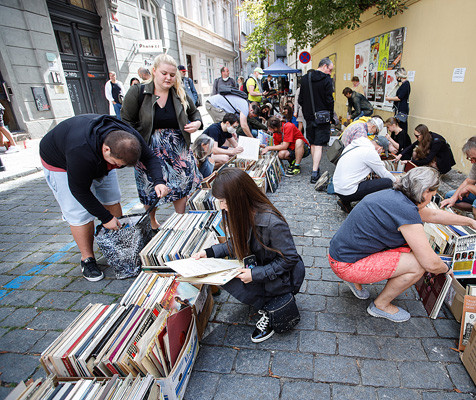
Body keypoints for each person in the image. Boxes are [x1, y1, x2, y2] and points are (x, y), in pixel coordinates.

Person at [328, 167, 476, 322]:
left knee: (410, 250)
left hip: (341, 255)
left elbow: (432, 214)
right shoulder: (405, 209)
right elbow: (430, 263)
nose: (431, 198)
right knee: (418, 264)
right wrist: (446, 269)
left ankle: (356, 281)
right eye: (432, 194)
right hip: (346, 264)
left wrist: (470, 222)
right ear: (425, 192)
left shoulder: (396, 196)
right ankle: (380, 305)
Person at [39, 114, 168, 281]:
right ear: (106, 149)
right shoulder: (80, 151)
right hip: (60, 163)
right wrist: (106, 218)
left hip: (95, 155)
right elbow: (79, 190)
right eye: (116, 164)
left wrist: (159, 181)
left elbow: (150, 158)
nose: (117, 167)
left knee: (112, 198)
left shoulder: (129, 138)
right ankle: (87, 259)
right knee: (78, 213)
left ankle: (120, 244)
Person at [192, 168, 305, 342]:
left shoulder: (272, 223)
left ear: (239, 197)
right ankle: (262, 298)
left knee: (238, 280)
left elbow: (290, 259)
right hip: (260, 266)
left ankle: (272, 306)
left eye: (224, 201)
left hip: (283, 277)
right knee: (223, 277)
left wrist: (255, 275)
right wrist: (208, 253)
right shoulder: (241, 213)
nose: (222, 206)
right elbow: (236, 242)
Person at [121, 53, 203, 230]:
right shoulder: (138, 92)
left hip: (177, 146)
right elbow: (126, 121)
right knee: (149, 186)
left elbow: (195, 113)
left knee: (181, 184)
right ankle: (152, 222)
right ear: (154, 71)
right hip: (148, 147)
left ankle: (180, 220)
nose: (168, 78)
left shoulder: (179, 92)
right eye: (164, 73)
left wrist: (196, 123)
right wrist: (137, 145)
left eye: (172, 75)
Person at [333, 135, 396, 213]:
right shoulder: (370, 152)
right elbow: (384, 174)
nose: (380, 154)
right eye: (382, 152)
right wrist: (398, 181)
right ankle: (371, 206)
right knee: (388, 182)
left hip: (338, 188)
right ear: (380, 149)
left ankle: (345, 201)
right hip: (348, 191)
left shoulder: (354, 145)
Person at [298, 59, 335, 183]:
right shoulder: (327, 80)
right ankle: (314, 173)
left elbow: (300, 100)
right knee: (318, 145)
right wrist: (330, 115)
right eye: (330, 69)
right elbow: (329, 100)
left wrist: (307, 110)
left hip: (309, 116)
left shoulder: (304, 79)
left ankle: (316, 167)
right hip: (323, 117)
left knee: (313, 143)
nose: (330, 72)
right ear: (324, 66)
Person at [385, 68, 410, 137]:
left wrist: (389, 98)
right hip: (399, 109)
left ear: (399, 76)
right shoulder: (403, 85)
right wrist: (391, 99)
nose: (396, 78)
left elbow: (400, 97)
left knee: (400, 126)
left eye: (396, 76)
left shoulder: (406, 84)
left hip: (401, 110)